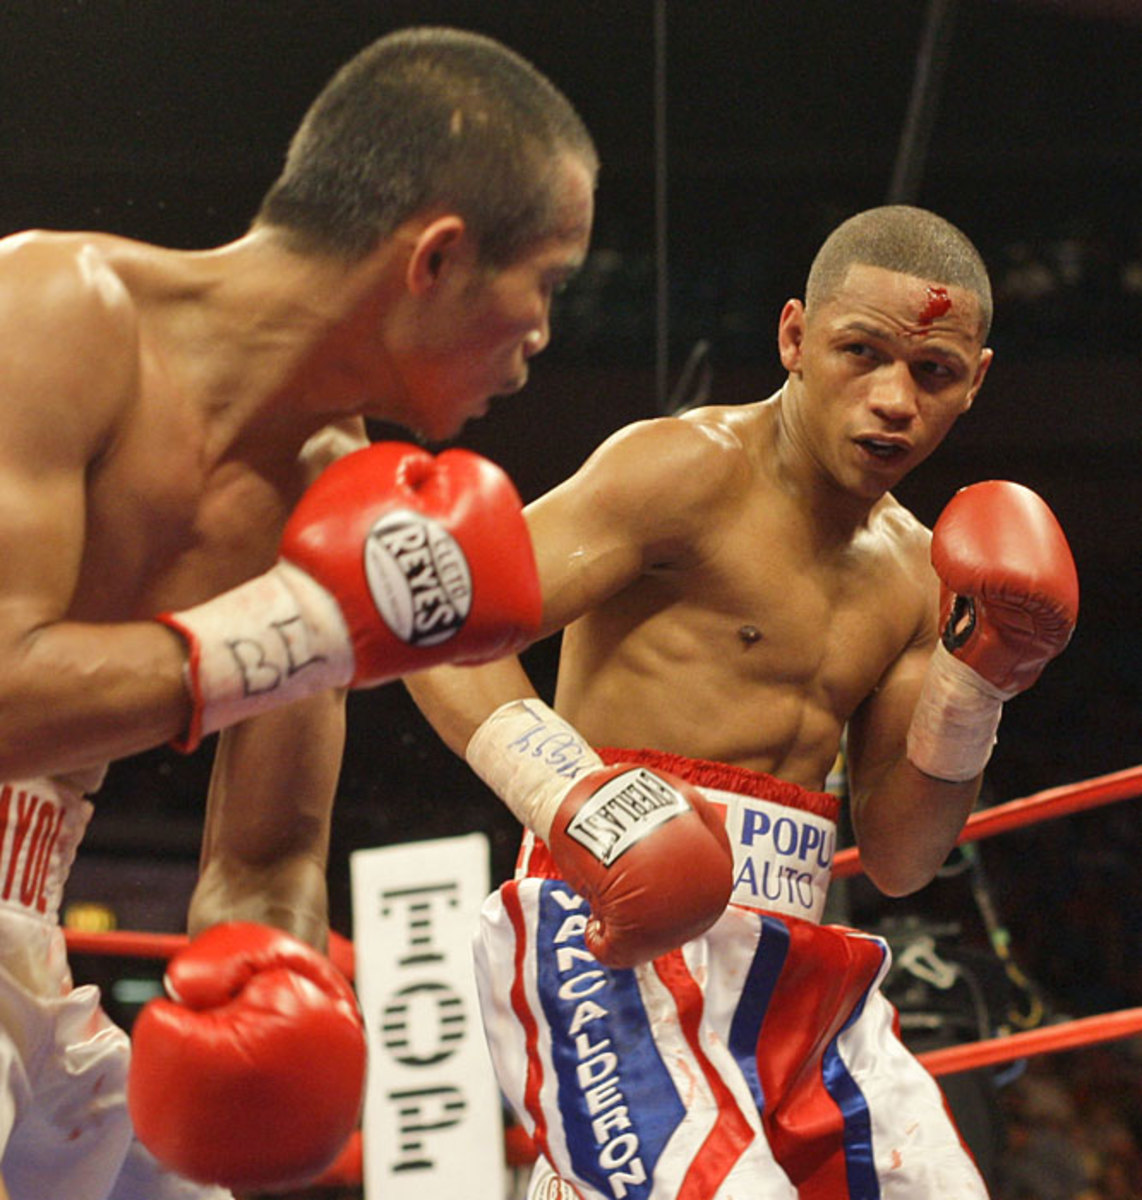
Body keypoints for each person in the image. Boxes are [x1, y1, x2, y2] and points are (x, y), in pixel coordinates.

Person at [0, 25, 597, 1200]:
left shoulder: (343, 510)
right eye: (546, 285)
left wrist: (270, 981)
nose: (537, 342)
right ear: (435, 258)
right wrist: (299, 631)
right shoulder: (51, 312)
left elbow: (265, 860)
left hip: (26, 928)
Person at [406, 205, 1080, 1198]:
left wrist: (976, 684)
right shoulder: (678, 472)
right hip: (613, 935)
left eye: (930, 373)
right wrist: (582, 802)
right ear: (794, 338)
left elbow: (898, 856)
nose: (893, 400)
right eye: (861, 354)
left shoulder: (913, 574)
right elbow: (440, 630)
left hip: (793, 967)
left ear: (972, 381)